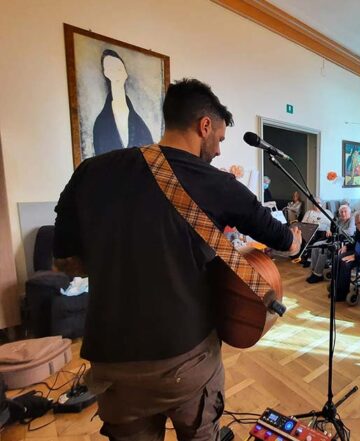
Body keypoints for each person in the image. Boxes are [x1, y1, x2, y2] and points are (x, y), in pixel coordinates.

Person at [53, 78, 302, 440]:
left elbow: (64, 259)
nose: (218, 150)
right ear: (204, 126)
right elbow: (282, 241)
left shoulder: (91, 171)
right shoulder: (216, 183)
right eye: (218, 138)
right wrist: (295, 237)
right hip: (185, 358)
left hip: (113, 363)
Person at [93, 50, 154, 156]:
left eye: (119, 69)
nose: (116, 74)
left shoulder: (139, 123)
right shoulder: (101, 123)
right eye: (111, 69)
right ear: (106, 73)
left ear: (125, 73)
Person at [306, 204, 355, 283]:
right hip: (333, 239)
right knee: (315, 246)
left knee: (323, 249)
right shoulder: (339, 220)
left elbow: (350, 232)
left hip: (344, 243)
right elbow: (330, 225)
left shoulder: (352, 219)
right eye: (341, 212)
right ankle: (314, 271)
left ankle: (318, 274)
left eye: (345, 211)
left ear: (349, 212)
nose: (343, 214)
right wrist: (328, 230)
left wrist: (336, 231)